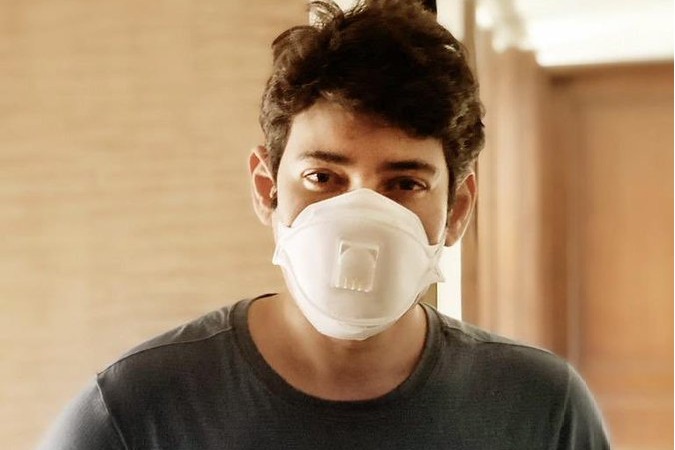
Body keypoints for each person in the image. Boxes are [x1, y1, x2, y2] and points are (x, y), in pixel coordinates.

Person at [39, 1, 610, 448]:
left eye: (404, 183)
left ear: (457, 209)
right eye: (322, 177)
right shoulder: (136, 411)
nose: (360, 216)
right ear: (267, 189)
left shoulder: (540, 408)